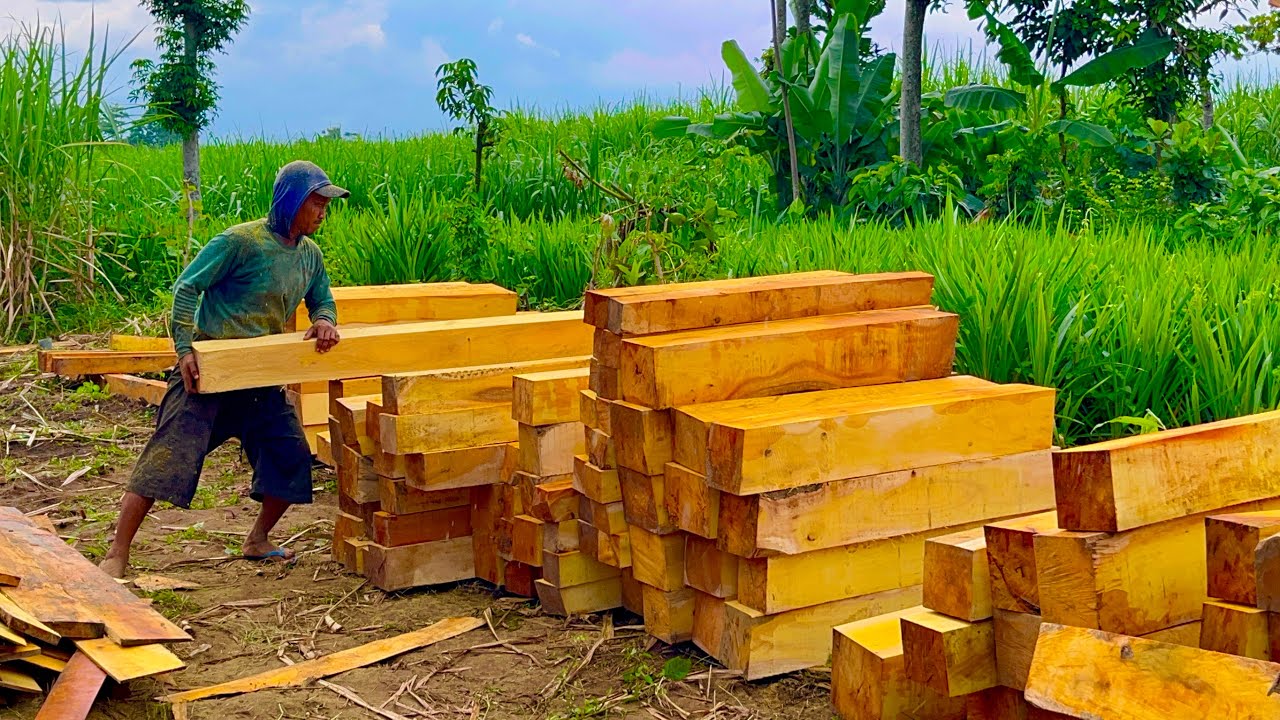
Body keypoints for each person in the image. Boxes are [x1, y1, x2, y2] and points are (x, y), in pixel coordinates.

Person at [99, 160, 348, 579]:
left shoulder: (310, 257)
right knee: (166, 459)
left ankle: (257, 539)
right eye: (316, 204)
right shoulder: (239, 243)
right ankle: (117, 553)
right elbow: (186, 287)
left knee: (290, 459)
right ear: (291, 203)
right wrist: (184, 349)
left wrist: (324, 321)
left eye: (326, 205)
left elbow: (322, 301)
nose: (323, 212)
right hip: (209, 374)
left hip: (261, 378)